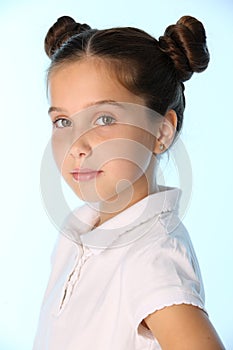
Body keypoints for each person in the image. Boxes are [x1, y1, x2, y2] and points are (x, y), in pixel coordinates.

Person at [33, 15, 225, 349]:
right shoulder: (77, 227)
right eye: (63, 121)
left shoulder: (153, 257)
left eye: (104, 119)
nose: (77, 145)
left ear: (160, 131)